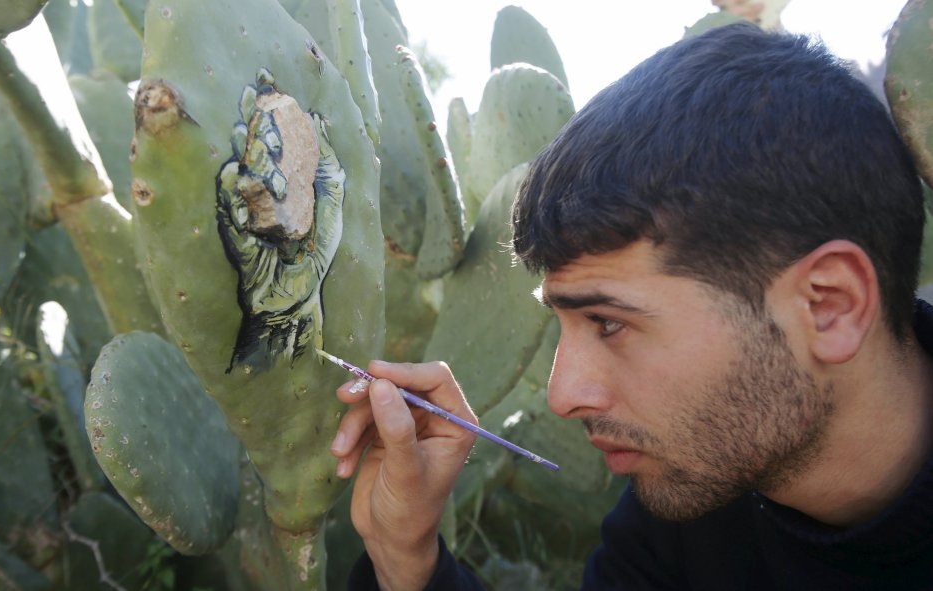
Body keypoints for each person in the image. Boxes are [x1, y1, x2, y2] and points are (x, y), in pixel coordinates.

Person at [330, 23, 933, 590]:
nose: (563, 397)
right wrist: (406, 555)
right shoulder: (686, 509)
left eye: (609, 323)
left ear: (829, 306)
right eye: (560, 323)